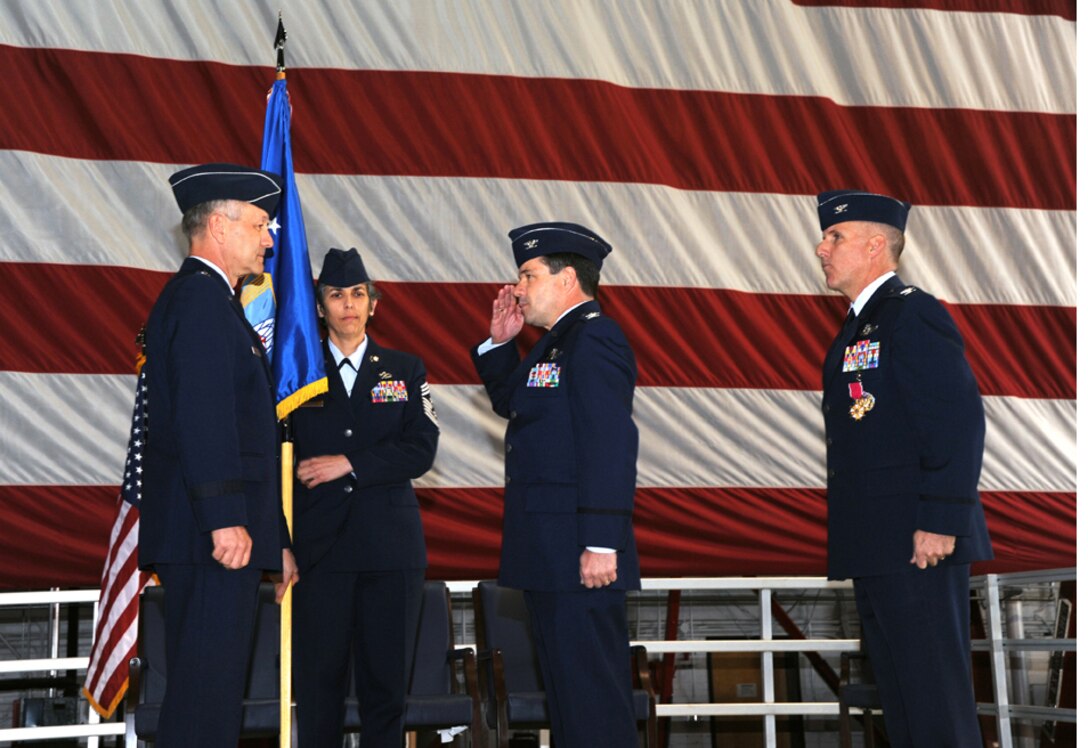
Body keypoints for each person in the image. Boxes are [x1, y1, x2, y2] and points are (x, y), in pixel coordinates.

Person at [815, 190, 993, 747]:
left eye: (835, 237)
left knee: (934, 700)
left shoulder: (912, 312)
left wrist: (941, 518)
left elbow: (955, 418)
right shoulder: (858, 326)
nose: (821, 248)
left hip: (918, 538)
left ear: (875, 246)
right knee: (902, 701)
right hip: (878, 540)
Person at [139, 163, 299, 747]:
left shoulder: (215, 301)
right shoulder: (200, 302)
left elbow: (250, 438)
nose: (268, 238)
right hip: (210, 536)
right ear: (220, 226)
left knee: (214, 699)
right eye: (259, 224)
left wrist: (274, 534)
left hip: (222, 531)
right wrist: (226, 518)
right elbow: (203, 422)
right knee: (203, 707)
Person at [472, 222, 641, 747]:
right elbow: (519, 408)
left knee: (594, 701)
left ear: (567, 279)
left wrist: (600, 540)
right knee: (569, 704)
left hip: (579, 554)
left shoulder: (595, 337)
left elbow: (609, 442)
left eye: (527, 274)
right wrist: (501, 346)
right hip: (550, 554)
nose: (517, 287)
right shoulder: (553, 346)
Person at [291, 247, 439, 747]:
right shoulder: (296, 374)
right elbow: (271, 462)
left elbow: (421, 448)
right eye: (336, 295)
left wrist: (349, 464)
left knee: (386, 691)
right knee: (318, 691)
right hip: (319, 552)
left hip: (389, 553)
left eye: (358, 294)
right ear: (319, 306)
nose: (348, 304)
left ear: (374, 304)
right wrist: (280, 545)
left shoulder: (404, 369)